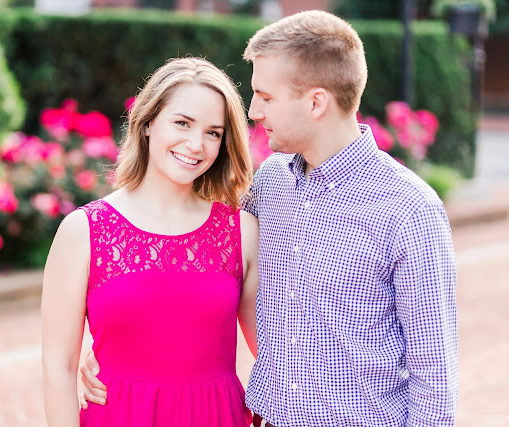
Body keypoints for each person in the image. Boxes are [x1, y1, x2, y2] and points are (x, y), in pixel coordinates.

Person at [79, 10, 459, 427]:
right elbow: (201, 269)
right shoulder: (271, 183)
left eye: (265, 96)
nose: (254, 110)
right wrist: (118, 338)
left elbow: (434, 376)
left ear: (315, 102)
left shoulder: (409, 209)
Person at [41, 57, 259, 427]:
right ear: (147, 123)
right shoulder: (83, 231)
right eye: (182, 123)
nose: (195, 144)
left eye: (213, 132)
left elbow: (274, 353)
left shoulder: (242, 231)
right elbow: (58, 368)